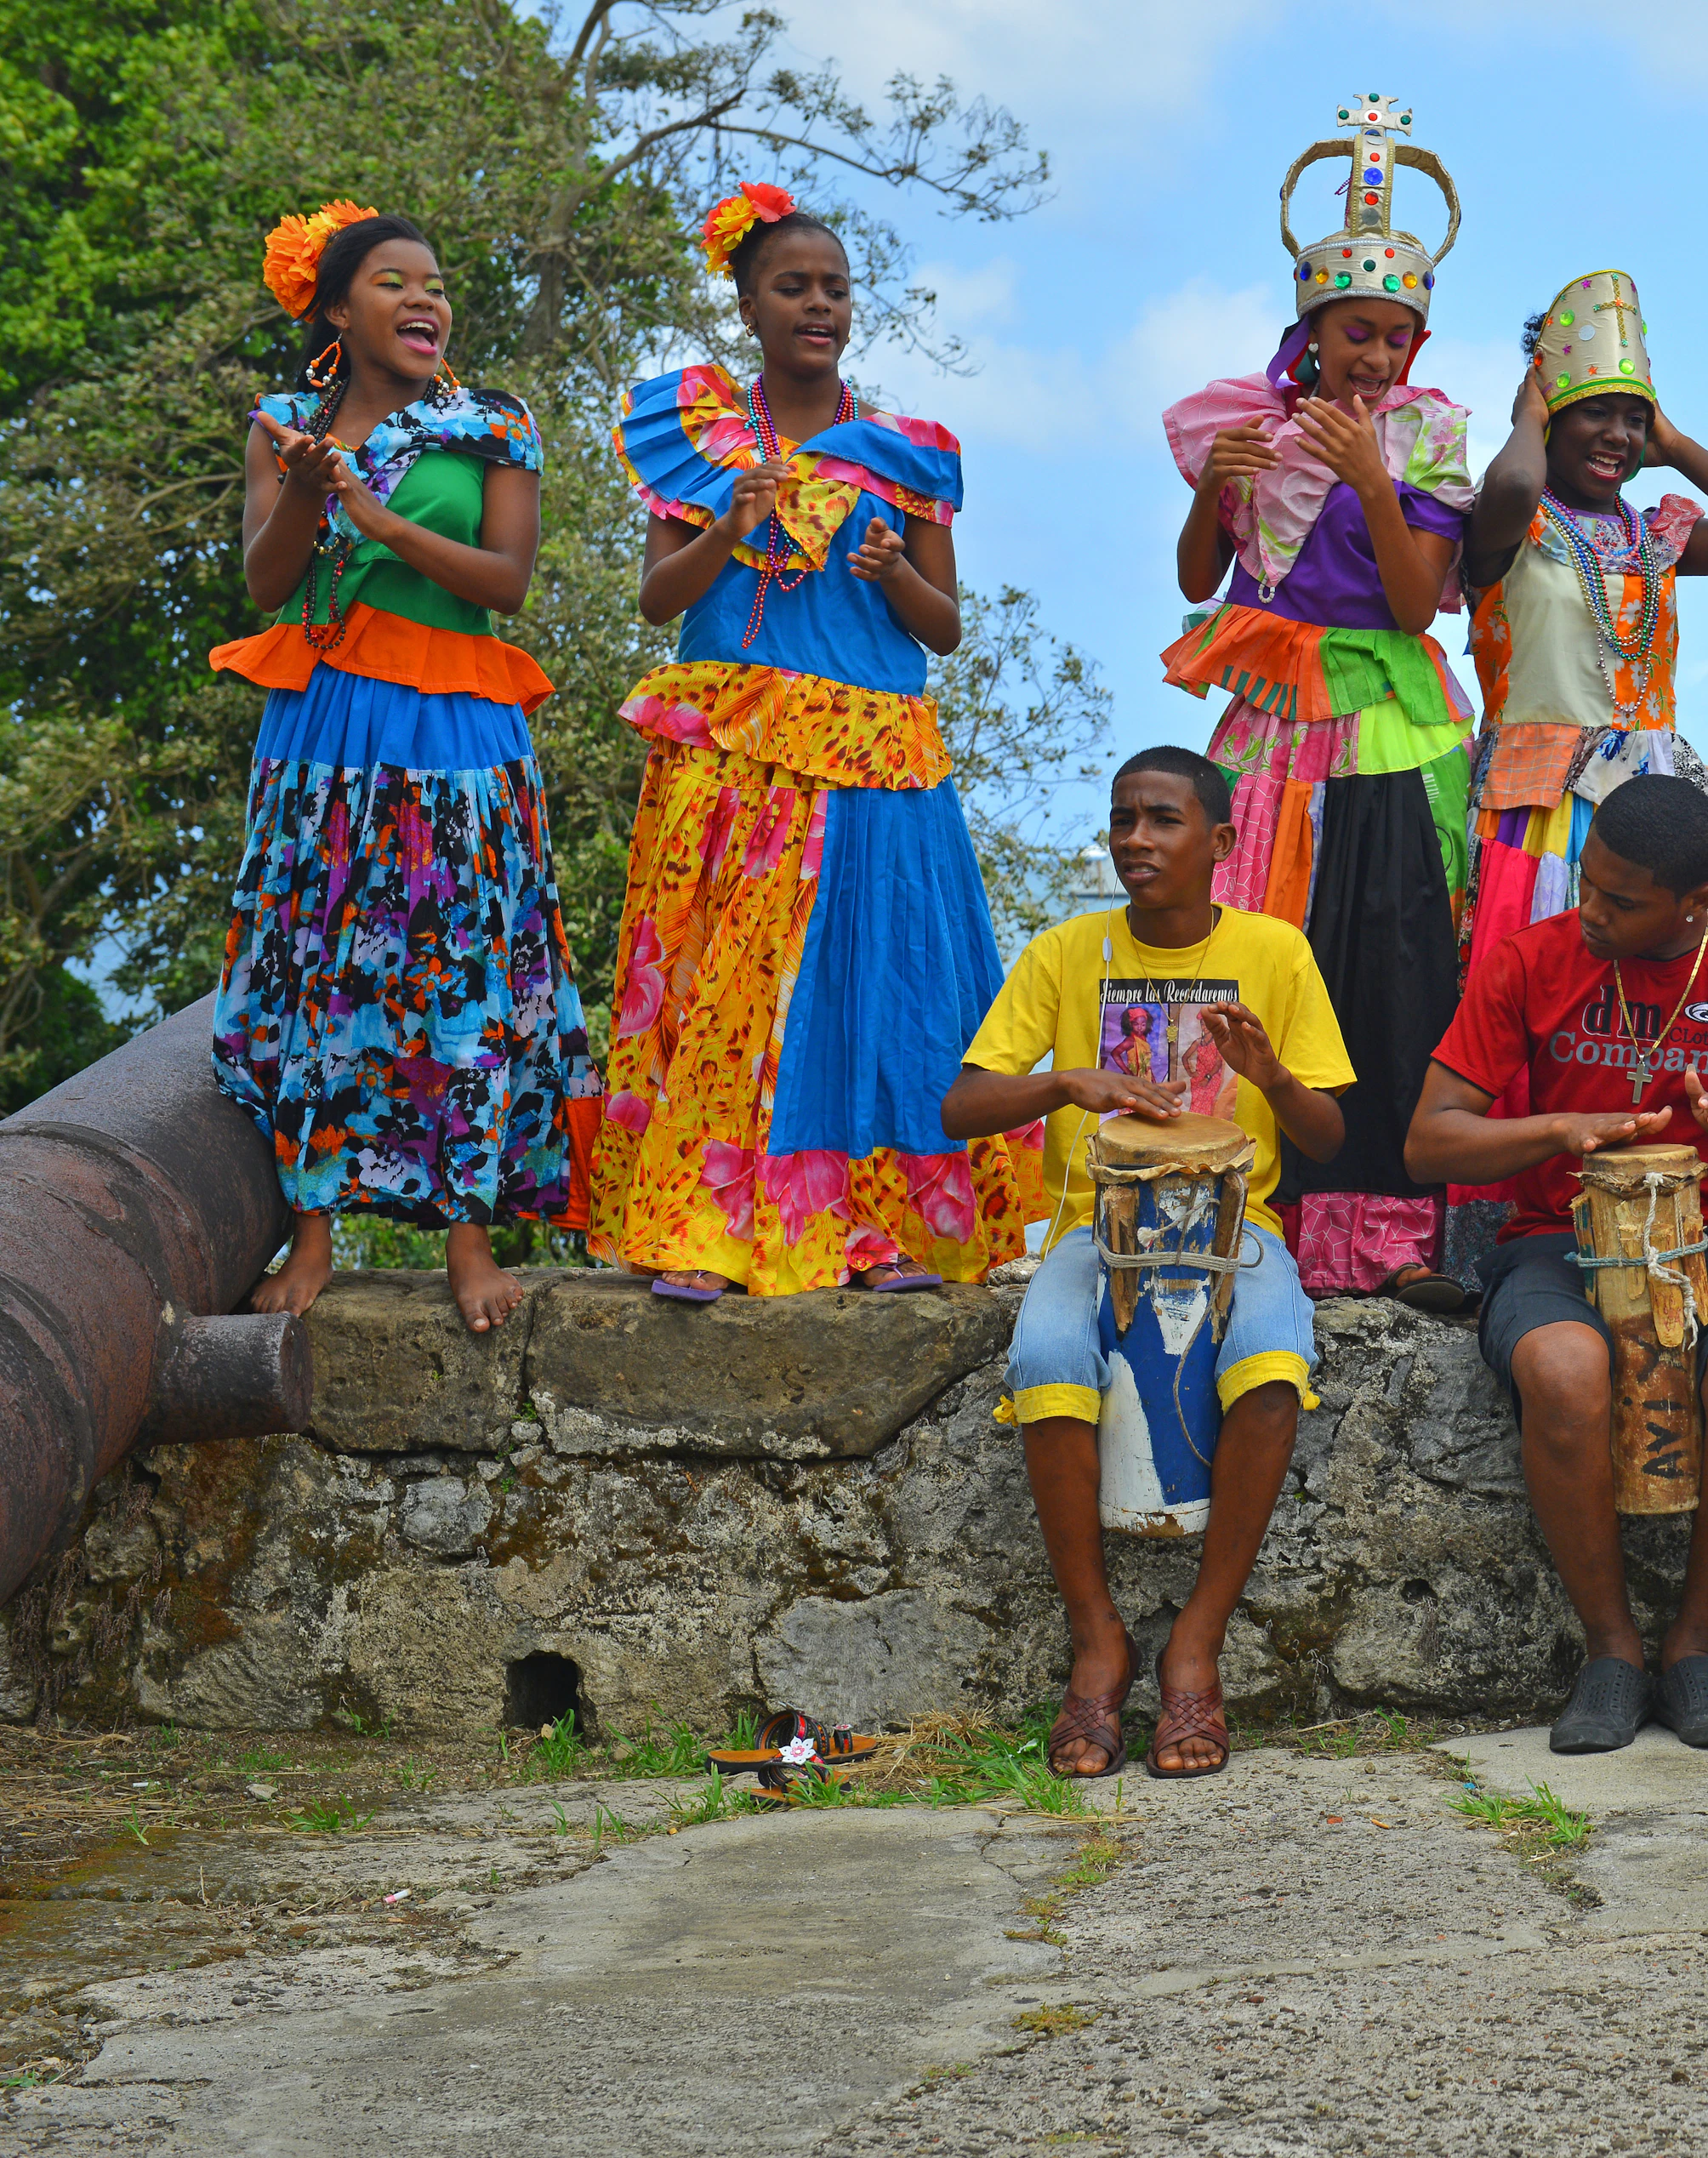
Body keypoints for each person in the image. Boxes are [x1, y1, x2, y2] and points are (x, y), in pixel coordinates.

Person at [593, 185, 1039, 1301]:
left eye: (835, 288)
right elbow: (658, 599)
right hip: (739, 750)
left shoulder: (905, 455)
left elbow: (943, 627)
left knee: (878, 987)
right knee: (731, 992)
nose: (820, 304)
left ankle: (873, 1230)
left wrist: (894, 574)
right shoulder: (696, 440)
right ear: (747, 304)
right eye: (793, 286)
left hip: (877, 755)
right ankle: (705, 1224)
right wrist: (731, 528)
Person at [1403, 776, 1708, 1755]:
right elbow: (1429, 1142)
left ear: (1696, 902)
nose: (1592, 911)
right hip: (1553, 1240)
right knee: (1566, 1369)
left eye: (1621, 901)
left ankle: (1696, 1647)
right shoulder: (1531, 960)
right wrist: (1555, 1130)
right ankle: (1612, 1650)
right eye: (1589, 885)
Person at [211, 202, 595, 1333]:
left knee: (461, 967)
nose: (425, 299)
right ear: (337, 307)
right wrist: (314, 492)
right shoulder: (283, 424)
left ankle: (468, 1242)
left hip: (458, 728)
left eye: (433, 282)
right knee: (320, 963)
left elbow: (506, 579)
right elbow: (267, 585)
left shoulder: (494, 422)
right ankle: (314, 1233)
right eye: (393, 281)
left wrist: (373, 516)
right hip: (323, 728)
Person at [942, 748, 1355, 1780]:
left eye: (1162, 820)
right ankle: (1098, 1645)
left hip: (1234, 1224)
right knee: (1045, 1360)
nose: (1135, 839)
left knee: (1268, 1366)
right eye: (1123, 819)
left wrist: (1266, 1072)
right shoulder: (1067, 949)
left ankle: (1195, 1646)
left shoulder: (1276, 950)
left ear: (1219, 842)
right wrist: (1066, 1082)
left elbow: (1331, 1135)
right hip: (1100, 1226)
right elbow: (961, 1106)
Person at [1159, 98, 1476, 1311]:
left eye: (1396, 338)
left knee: (1389, 946)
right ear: (1315, 324)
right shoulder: (1238, 419)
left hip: (1385, 711)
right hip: (1271, 715)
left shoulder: (1427, 439)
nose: (1376, 358)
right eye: (1357, 332)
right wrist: (1213, 493)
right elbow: (1201, 580)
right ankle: (1232, 1202)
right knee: (1252, 932)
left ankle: (1378, 1235)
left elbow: (1411, 607)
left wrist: (1370, 482)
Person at [1460, 270, 1708, 951]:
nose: (1618, 435)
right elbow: (1522, 477)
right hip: (1534, 805)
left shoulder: (1654, 539)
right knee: (1532, 971)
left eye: (1633, 419)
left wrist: (1670, 442)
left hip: (1647, 803)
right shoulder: (1510, 521)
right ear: (1550, 414)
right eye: (1595, 412)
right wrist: (1527, 417)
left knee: (1641, 995)